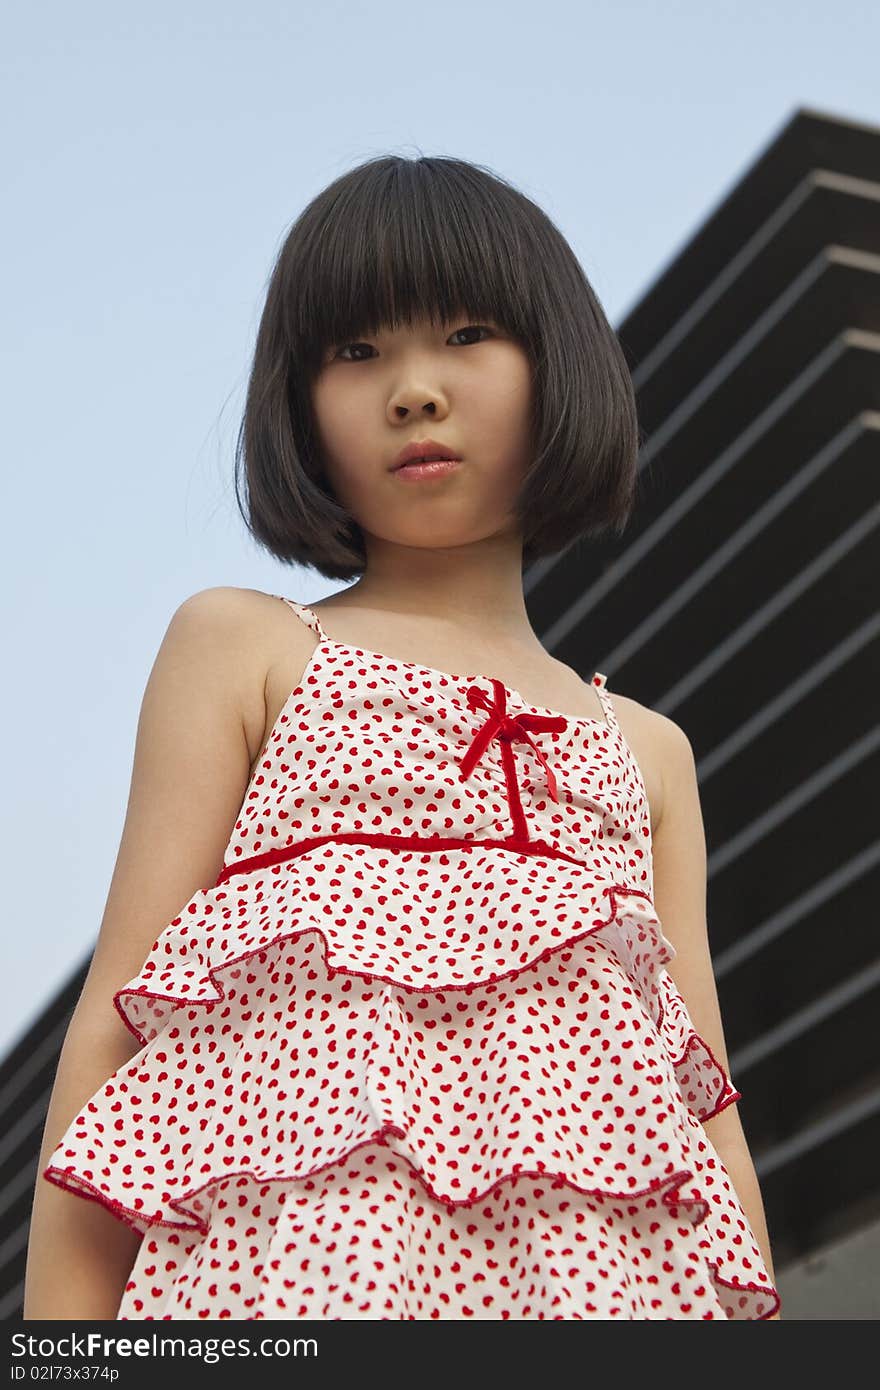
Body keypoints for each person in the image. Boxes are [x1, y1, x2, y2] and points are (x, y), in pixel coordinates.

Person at [25, 153, 781, 1320]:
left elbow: (702, 1101)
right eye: (355, 351)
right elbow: (119, 1024)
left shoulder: (649, 749)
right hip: (290, 1295)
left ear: (559, 364)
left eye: (468, 333)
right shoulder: (245, 647)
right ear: (298, 403)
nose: (413, 390)